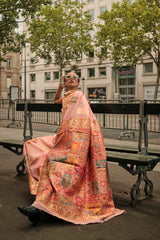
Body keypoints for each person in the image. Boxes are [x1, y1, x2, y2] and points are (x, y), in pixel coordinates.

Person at [17, 71, 124, 225]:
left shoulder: (79, 95)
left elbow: (84, 121)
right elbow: (56, 100)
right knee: (32, 145)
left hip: (78, 138)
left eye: (75, 77)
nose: (72, 79)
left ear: (78, 82)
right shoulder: (67, 97)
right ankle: (41, 206)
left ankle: (39, 208)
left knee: (54, 164)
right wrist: (59, 88)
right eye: (68, 77)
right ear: (65, 82)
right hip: (65, 137)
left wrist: (75, 139)